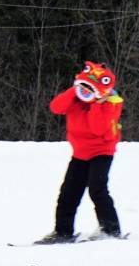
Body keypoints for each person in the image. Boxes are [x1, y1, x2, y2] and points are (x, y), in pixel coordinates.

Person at [35, 62, 124, 244]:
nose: (85, 92)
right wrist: (74, 91)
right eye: (83, 88)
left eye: (89, 89)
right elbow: (56, 107)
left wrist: (98, 104)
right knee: (68, 192)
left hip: (102, 151)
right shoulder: (74, 100)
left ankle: (111, 228)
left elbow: (98, 128)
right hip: (80, 153)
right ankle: (63, 231)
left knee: (97, 189)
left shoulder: (110, 105)